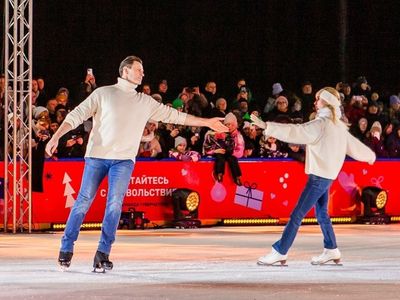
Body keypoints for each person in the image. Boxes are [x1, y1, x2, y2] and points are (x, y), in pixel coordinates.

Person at [45, 55, 228, 272]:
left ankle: (103, 253)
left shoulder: (144, 102)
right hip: (97, 157)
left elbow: (176, 116)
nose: (143, 73)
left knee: (114, 205)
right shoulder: (104, 93)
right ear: (125, 71)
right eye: (138, 69)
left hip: (123, 161)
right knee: (83, 201)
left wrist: (208, 122)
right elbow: (76, 115)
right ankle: (66, 248)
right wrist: (56, 137)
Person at [250, 87, 376, 266]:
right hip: (326, 176)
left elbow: (296, 131)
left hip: (319, 178)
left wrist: (267, 126)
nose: (315, 102)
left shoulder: (321, 124)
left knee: (297, 215)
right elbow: (355, 146)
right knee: (321, 213)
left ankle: (280, 251)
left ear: (327, 102)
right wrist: (370, 156)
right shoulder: (337, 126)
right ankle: (331, 249)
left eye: (318, 99)